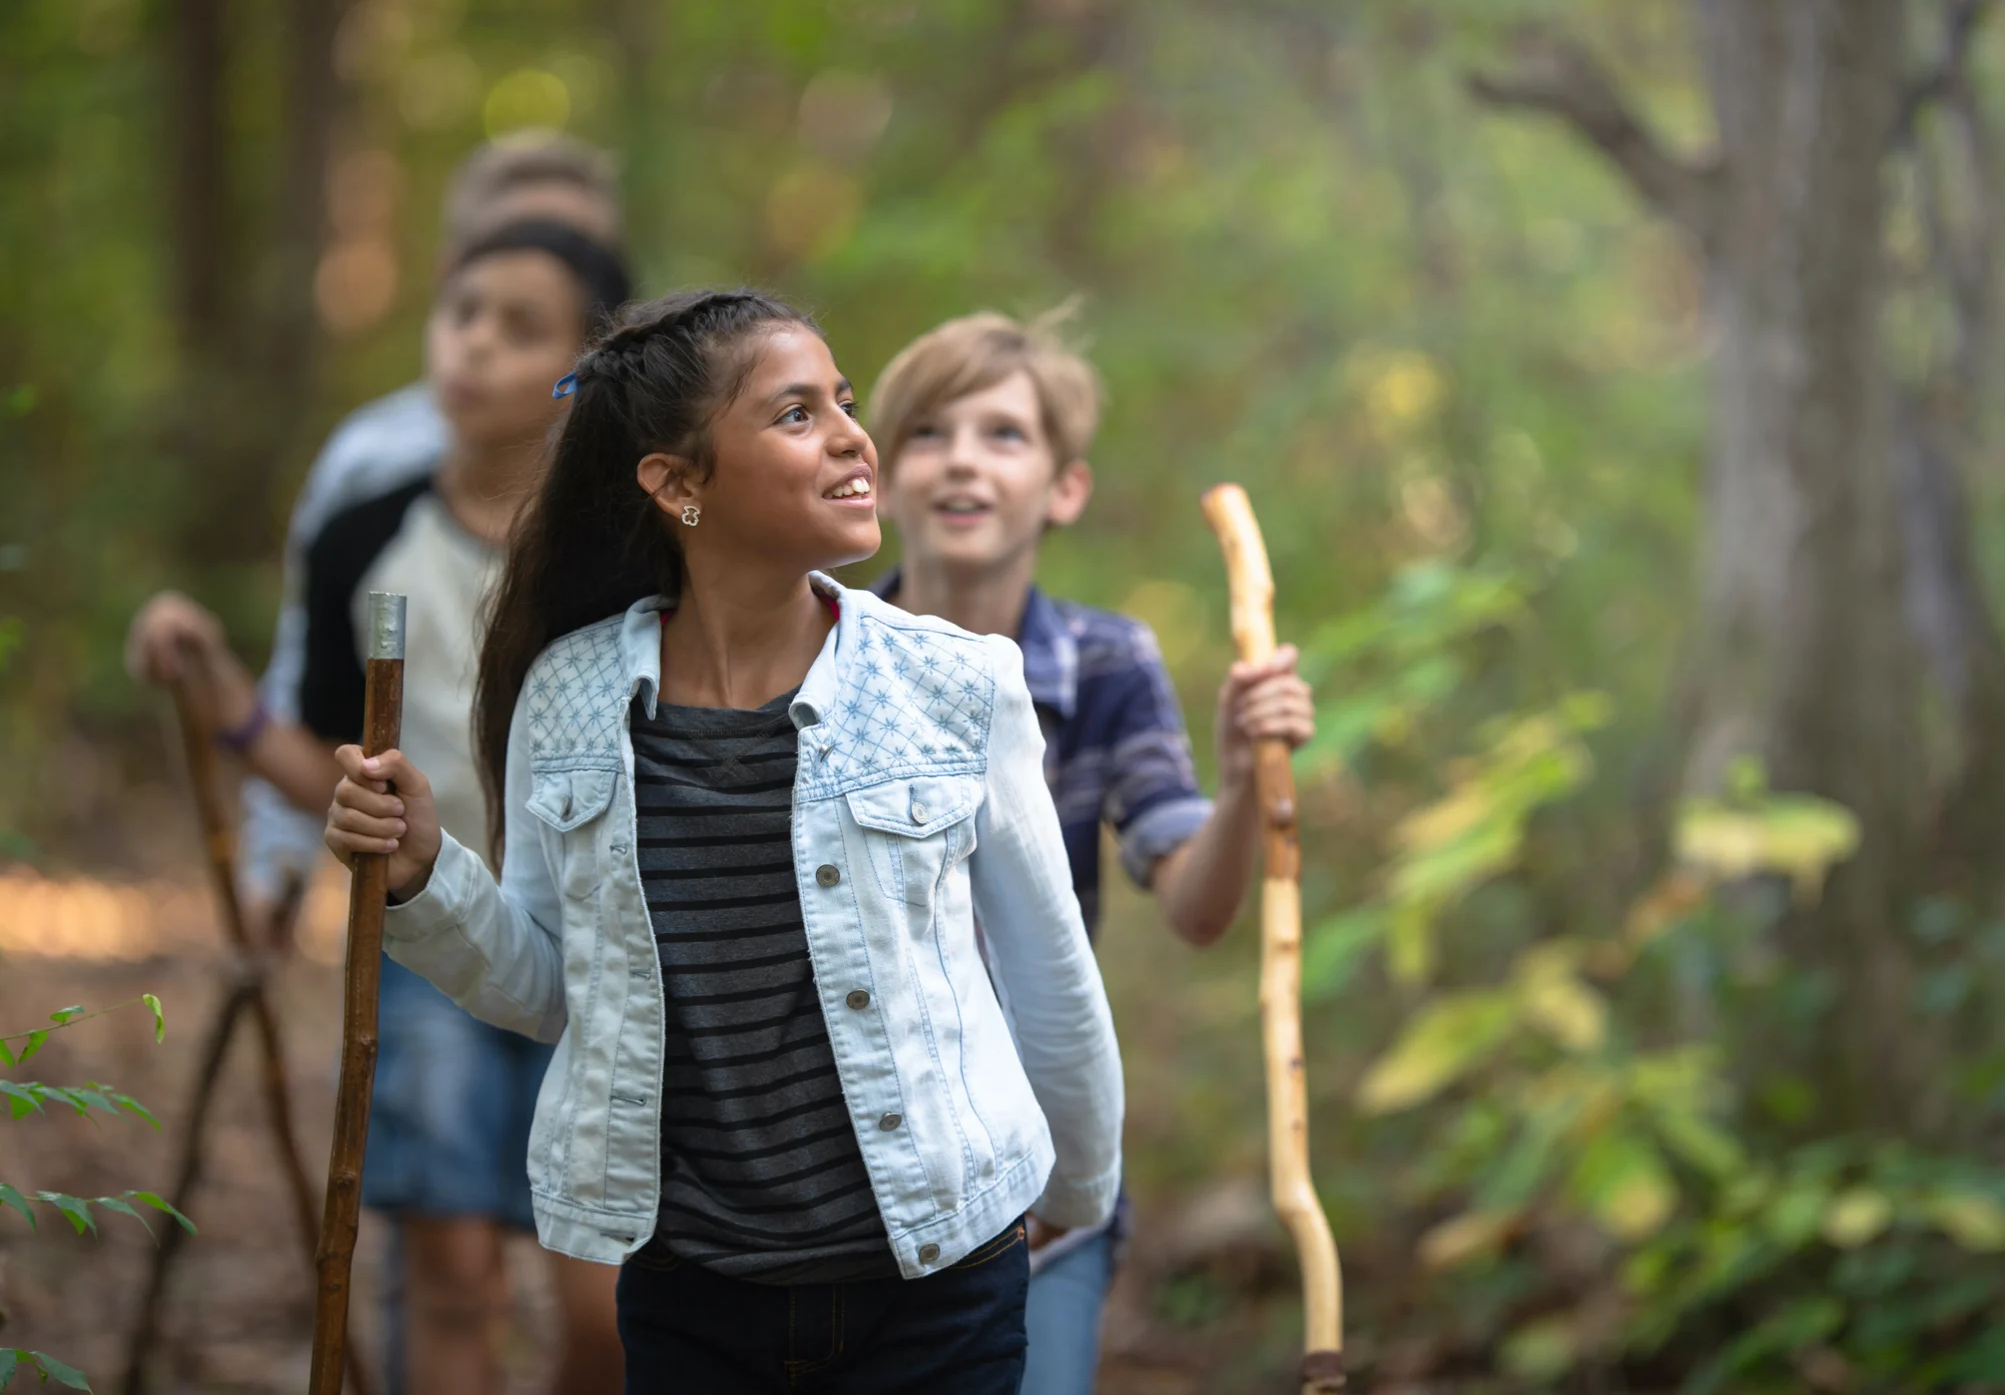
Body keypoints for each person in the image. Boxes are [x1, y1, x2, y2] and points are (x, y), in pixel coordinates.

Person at [317, 288, 1125, 1395]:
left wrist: (1072, 1197)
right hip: (693, 1290)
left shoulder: (952, 683)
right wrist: (423, 874)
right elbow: (554, 988)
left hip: (939, 1280)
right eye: (796, 415)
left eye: (844, 402)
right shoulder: (575, 694)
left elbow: (1049, 974)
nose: (852, 435)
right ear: (677, 483)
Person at [128, 220, 634, 1395]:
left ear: (587, 365)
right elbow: (327, 766)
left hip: (612, 949)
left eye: (521, 328)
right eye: (462, 313)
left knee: (604, 1307)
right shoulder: (366, 534)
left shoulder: (627, 552)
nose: (474, 346)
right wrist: (220, 696)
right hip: (423, 940)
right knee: (449, 1274)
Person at [862, 310, 1316, 1395]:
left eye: (1004, 435)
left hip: (1039, 1173)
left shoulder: (1108, 663)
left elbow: (1196, 908)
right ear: (877, 480)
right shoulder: (820, 653)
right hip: (855, 1170)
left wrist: (1245, 775)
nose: (963, 457)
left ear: (1063, 489)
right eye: (928, 432)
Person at [241, 131, 625, 901]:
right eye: (469, 306)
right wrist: (274, 866)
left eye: (566, 250)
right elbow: (310, 692)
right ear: (449, 274)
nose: (480, 343)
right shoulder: (367, 478)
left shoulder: (639, 523)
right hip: (427, 911)